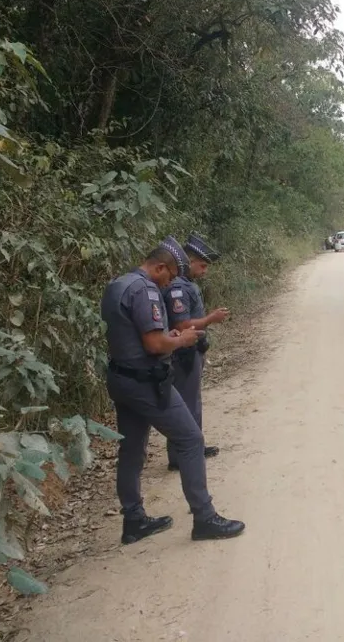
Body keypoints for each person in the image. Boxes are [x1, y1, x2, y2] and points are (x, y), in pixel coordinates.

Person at [100, 236, 245, 544]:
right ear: (160, 267)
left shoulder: (119, 284)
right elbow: (154, 343)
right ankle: (204, 517)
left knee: (132, 449)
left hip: (120, 378)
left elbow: (138, 334)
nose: (170, 284)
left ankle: (134, 520)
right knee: (191, 440)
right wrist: (182, 340)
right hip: (146, 381)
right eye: (170, 276)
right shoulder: (145, 290)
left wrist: (171, 334)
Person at [163, 233, 230, 472]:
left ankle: (193, 446)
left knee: (193, 402)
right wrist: (211, 319)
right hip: (183, 354)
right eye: (202, 265)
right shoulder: (177, 288)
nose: (204, 271)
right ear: (189, 261)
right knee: (185, 404)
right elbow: (182, 326)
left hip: (194, 352)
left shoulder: (188, 285)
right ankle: (181, 455)